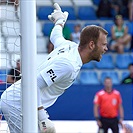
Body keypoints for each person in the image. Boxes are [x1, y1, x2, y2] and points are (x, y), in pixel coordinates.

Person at [0, 3, 108, 133]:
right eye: (103, 45)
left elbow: (55, 36)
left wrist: (59, 21)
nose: (106, 49)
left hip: (24, 102)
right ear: (91, 45)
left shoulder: (69, 46)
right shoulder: (69, 65)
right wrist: (43, 117)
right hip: (17, 102)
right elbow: (34, 84)